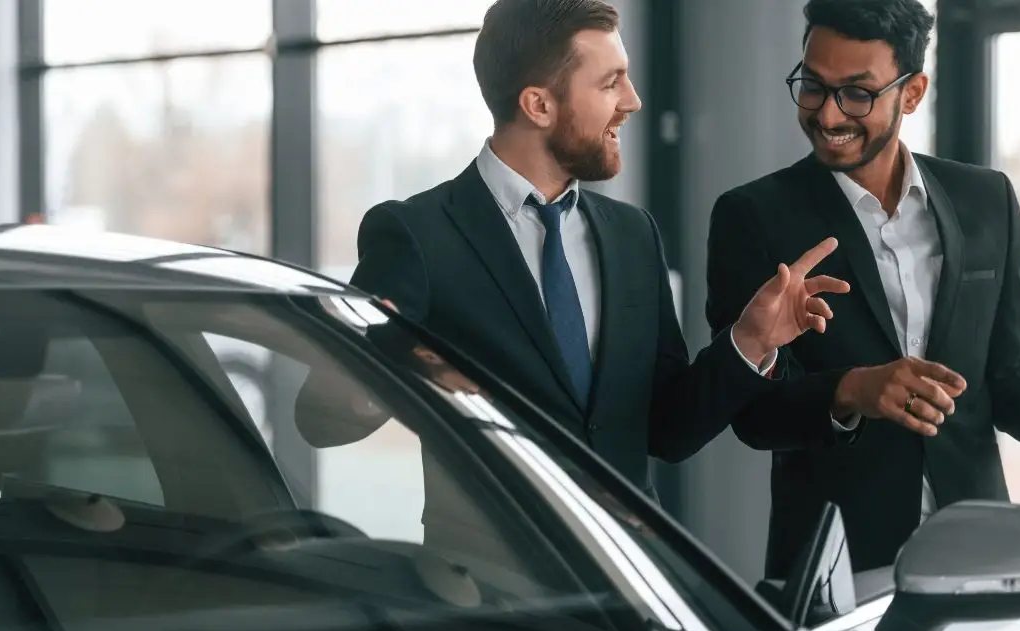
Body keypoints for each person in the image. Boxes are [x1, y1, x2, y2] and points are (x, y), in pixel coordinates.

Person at [704, 0, 1020, 577]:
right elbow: (751, 413)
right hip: (837, 561)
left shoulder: (987, 200)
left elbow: (1010, 379)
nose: (827, 113)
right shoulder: (752, 216)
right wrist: (852, 391)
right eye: (813, 86)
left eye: (856, 93)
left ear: (912, 92)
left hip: (980, 545)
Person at [350, 0, 851, 499]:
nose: (633, 101)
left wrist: (750, 340)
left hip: (625, 548)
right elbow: (323, 420)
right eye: (611, 83)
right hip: (490, 552)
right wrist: (387, 373)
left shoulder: (632, 233)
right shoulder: (416, 234)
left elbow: (668, 432)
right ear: (538, 105)